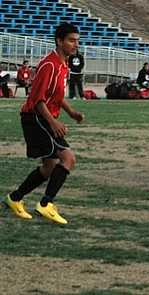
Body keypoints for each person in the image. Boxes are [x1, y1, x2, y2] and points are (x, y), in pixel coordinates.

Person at [4, 23, 85, 225]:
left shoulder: (63, 64)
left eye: (77, 40)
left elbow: (55, 96)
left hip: (42, 117)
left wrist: (71, 112)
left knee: (49, 167)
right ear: (59, 41)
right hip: (36, 118)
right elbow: (37, 98)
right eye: (71, 40)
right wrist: (53, 122)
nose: (75, 45)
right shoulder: (49, 64)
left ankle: (14, 199)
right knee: (68, 158)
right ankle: (46, 204)